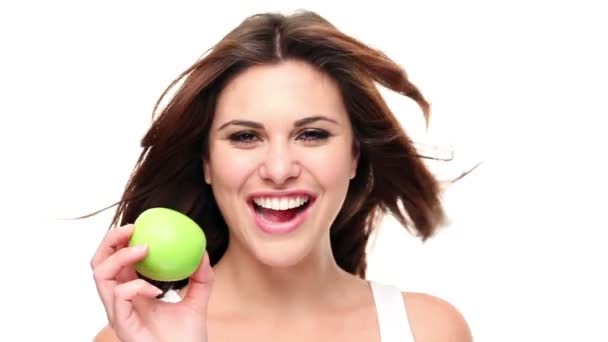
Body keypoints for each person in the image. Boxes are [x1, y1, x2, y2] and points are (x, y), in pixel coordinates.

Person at [90, 10, 473, 342]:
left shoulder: (430, 331)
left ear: (354, 156)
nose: (278, 170)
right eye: (245, 136)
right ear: (206, 161)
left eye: (311, 134)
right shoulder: (131, 337)